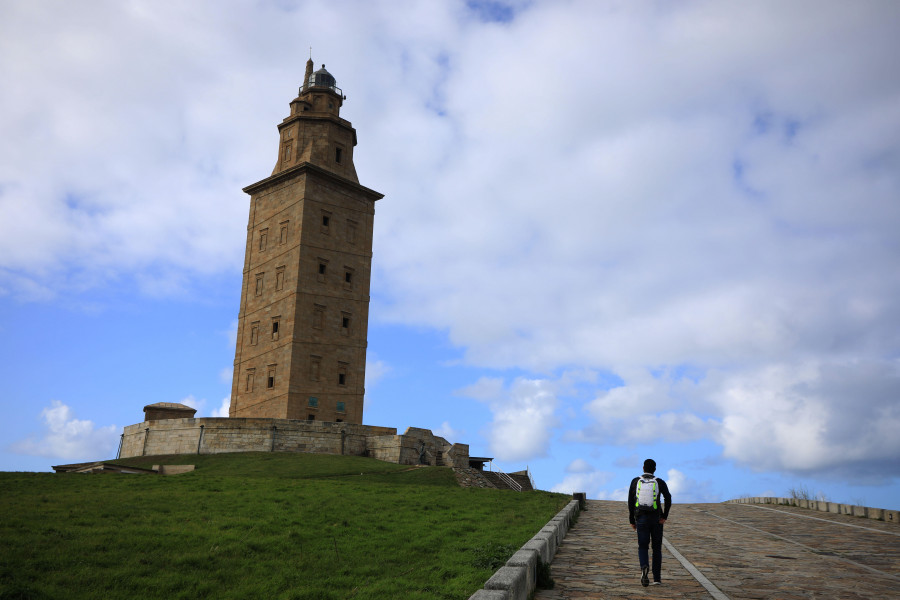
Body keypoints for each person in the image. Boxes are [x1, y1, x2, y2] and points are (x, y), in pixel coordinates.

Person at [627, 458, 672, 587]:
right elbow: (668, 498)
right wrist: (664, 516)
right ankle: (657, 578)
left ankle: (644, 566)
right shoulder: (659, 481)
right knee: (656, 548)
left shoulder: (635, 481)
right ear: (655, 469)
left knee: (643, 546)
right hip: (656, 519)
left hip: (641, 518)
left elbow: (630, 502)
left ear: (643, 468)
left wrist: (632, 520)